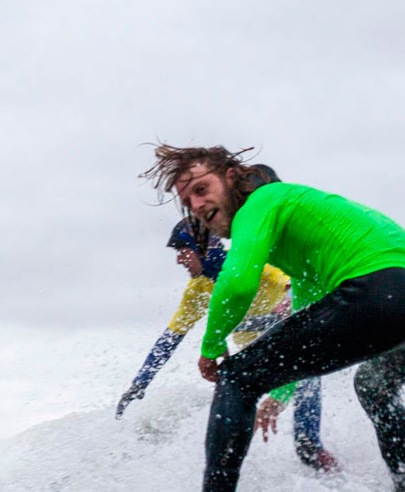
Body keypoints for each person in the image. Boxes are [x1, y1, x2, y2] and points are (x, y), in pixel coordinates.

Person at [140, 144, 405, 492]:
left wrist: (212, 347)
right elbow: (306, 319)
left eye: (201, 188)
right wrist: (280, 393)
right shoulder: (302, 239)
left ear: (232, 177)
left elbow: (240, 280)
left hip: (382, 288)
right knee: (373, 386)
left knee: (237, 377)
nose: (196, 205)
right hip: (392, 295)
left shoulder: (263, 200)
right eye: (187, 200)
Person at [118, 180, 337, 472]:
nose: (180, 260)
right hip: (259, 361)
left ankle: (319, 456)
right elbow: (170, 339)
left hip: (294, 350)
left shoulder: (254, 266)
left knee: (308, 390)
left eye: (183, 251)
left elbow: (298, 292)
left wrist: (283, 304)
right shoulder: (197, 290)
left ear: (202, 246)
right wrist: (140, 384)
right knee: (230, 396)